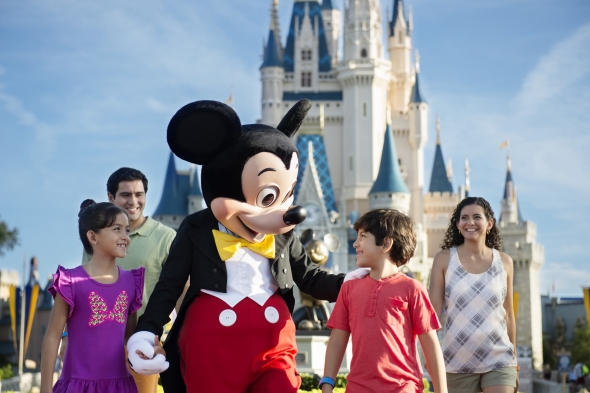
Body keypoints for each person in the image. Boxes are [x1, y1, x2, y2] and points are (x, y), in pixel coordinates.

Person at [62, 167, 177, 393]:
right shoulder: (97, 237)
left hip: (140, 343)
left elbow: (180, 289)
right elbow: (80, 290)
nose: (133, 201)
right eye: (126, 194)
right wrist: (66, 335)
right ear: (111, 197)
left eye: (139, 194)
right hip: (92, 344)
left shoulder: (166, 238)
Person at [320, 209, 447, 393]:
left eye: (363, 236)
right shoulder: (349, 288)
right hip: (357, 388)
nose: (355, 243)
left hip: (403, 388)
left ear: (386, 243)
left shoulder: (412, 289)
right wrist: (327, 383)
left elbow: (430, 344)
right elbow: (338, 339)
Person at [40, 200, 149, 393]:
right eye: (117, 229)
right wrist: (45, 389)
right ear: (93, 236)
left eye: (127, 230)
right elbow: (52, 337)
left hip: (120, 387)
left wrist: (150, 348)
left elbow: (129, 338)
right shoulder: (71, 282)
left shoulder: (132, 282)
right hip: (77, 386)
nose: (126, 237)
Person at [428, 196, 519, 393]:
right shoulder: (443, 260)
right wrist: (430, 357)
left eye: (477, 217)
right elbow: (432, 316)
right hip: (455, 361)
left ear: (489, 223)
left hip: (499, 359)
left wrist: (514, 358)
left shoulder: (505, 262)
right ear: (458, 224)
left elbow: (509, 315)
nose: (470, 222)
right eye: (464, 218)